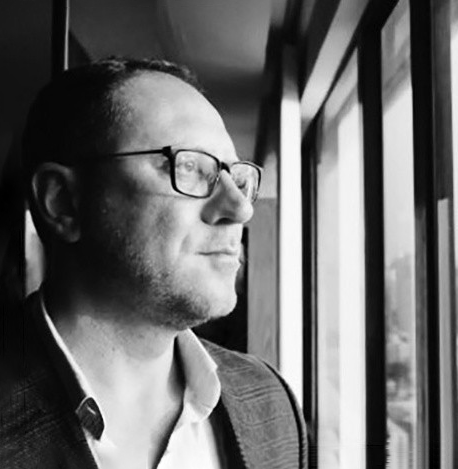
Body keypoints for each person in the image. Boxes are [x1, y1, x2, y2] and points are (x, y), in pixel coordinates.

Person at [0, 58, 308, 469]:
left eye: (236, 178)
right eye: (189, 167)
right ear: (63, 202)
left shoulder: (269, 402)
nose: (240, 209)